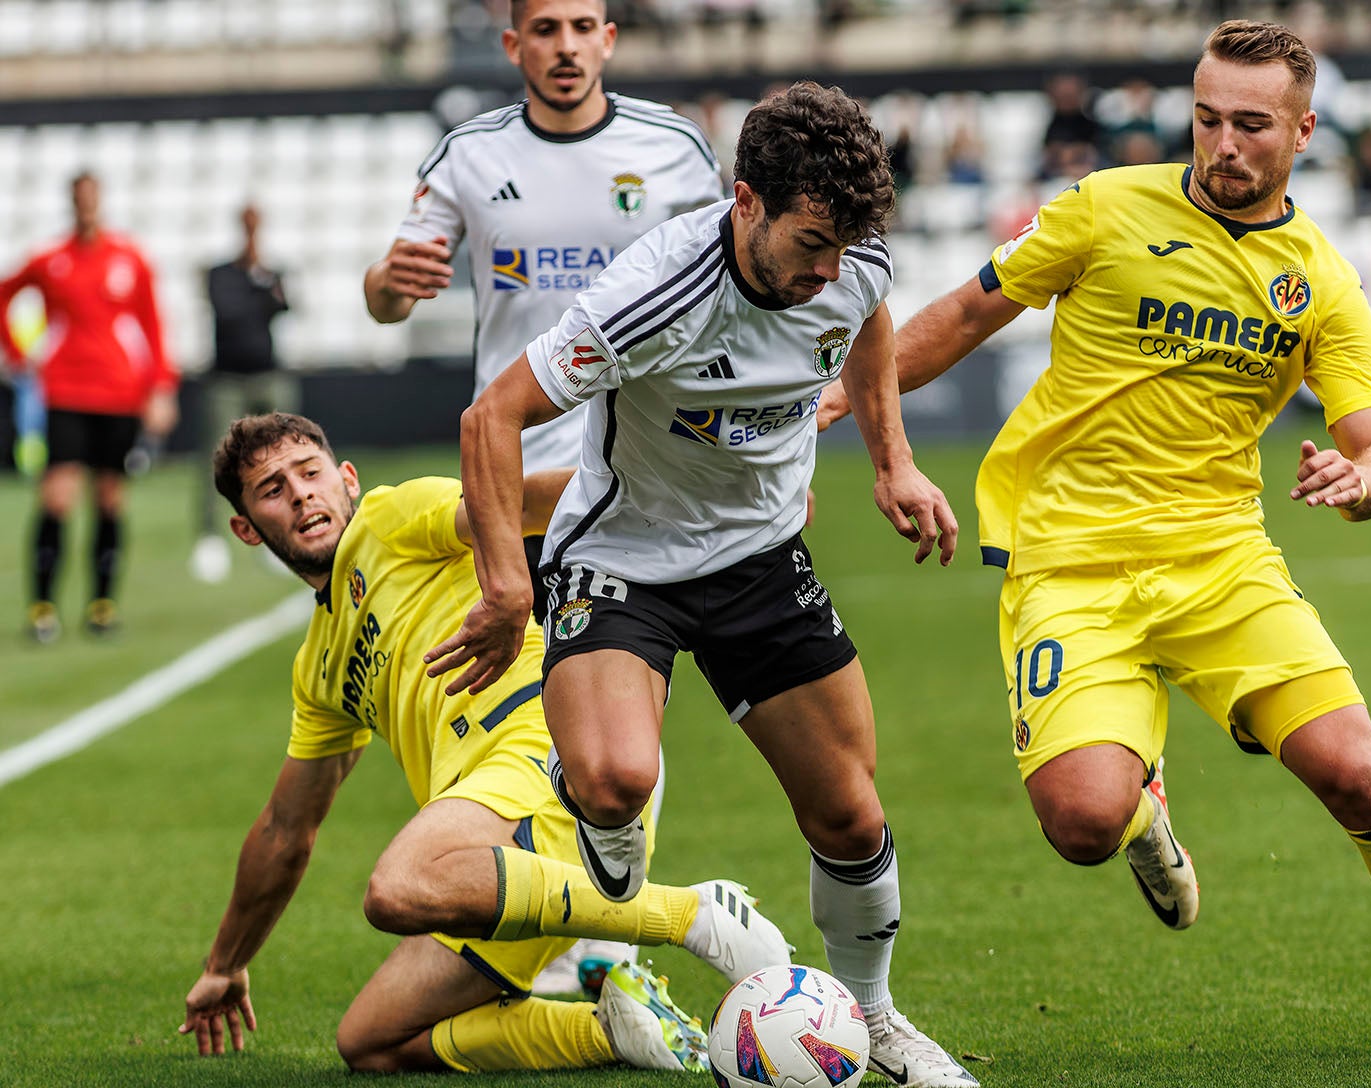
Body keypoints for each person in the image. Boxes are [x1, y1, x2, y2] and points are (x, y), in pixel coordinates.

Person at [819, 20, 1371, 1061]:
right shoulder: (1105, 208)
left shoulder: (1320, 281)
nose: (1224, 142)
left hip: (1222, 564)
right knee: (1079, 821)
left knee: (1362, 775)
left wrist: (1364, 479)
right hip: (1071, 561)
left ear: (1303, 131)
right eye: (1208, 117)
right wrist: (855, 407)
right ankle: (1139, 807)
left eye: (1252, 124)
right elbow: (966, 313)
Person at [429, 81, 979, 1088]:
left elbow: (871, 325)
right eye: (810, 240)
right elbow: (489, 418)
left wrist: (893, 460)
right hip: (624, 556)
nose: (828, 268)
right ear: (745, 202)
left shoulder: (851, 259)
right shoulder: (651, 295)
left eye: (844, 244)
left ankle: (875, 1014)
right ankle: (597, 813)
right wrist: (508, 586)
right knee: (614, 780)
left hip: (761, 558)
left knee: (852, 814)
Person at [181, 411, 792, 1074]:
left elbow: (517, 502)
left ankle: (690, 915)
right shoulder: (319, 668)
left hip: (547, 755)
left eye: (309, 473)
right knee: (371, 1043)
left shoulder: (391, 517)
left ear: (347, 481)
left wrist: (689, 492)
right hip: (499, 864)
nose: (300, 493)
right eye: (272, 489)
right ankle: (614, 1031)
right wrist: (225, 965)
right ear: (245, 528)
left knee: (399, 886)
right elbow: (284, 829)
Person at [364, 0, 723, 991]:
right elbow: (389, 298)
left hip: (638, 468)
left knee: (602, 707)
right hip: (515, 479)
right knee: (553, 708)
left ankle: (589, 915)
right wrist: (389, 281)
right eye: (546, 29)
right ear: (513, 42)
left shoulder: (674, 151)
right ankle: (589, 914)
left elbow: (729, 290)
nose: (566, 47)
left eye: (583, 26)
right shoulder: (469, 155)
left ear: (609, 39)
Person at [0, 171, 179, 642]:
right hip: (64, 393)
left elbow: (153, 325)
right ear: (71, 202)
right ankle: (43, 607)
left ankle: (102, 604)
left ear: (100, 201)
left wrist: (161, 387)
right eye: (79, 199)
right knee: (57, 495)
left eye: (91, 198)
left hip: (119, 394)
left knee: (109, 498)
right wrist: (18, 355)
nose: (86, 207)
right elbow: (5, 293)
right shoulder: (50, 260)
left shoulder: (129, 260)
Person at [191, 204, 295, 583]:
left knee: (281, 458)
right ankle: (210, 537)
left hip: (268, 375)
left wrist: (259, 286)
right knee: (215, 459)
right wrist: (259, 291)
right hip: (226, 379)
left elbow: (284, 305)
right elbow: (230, 311)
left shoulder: (269, 271)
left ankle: (277, 537)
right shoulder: (220, 273)